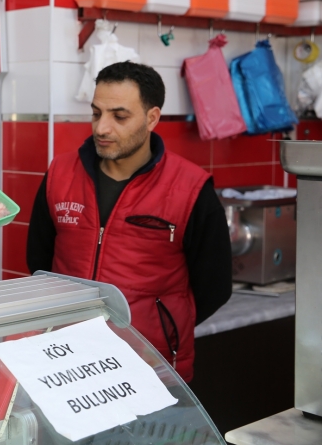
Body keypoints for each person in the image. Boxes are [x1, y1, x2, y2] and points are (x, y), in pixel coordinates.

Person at [26, 61, 231, 382]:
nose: (101, 128)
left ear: (152, 118)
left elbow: (214, 286)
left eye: (119, 116)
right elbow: (38, 260)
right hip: (70, 363)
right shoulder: (60, 174)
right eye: (96, 113)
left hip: (151, 367)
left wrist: (163, 326)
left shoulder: (190, 188)